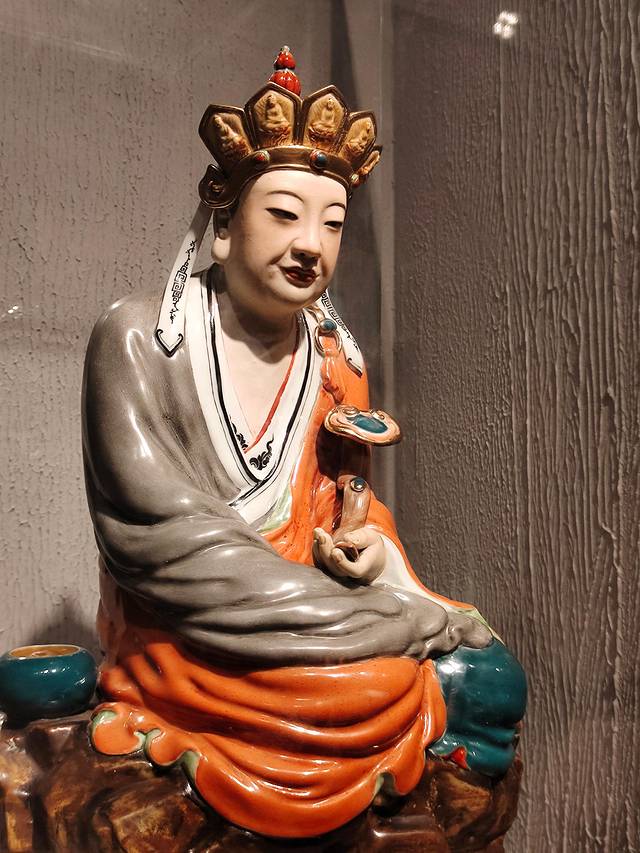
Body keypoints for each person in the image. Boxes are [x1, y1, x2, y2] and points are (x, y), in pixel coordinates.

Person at [83, 48, 526, 840]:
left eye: (332, 224)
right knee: (365, 686)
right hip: (186, 633)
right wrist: (384, 620)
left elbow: (345, 506)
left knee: (491, 678)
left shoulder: (336, 363)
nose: (310, 245)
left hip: (318, 617)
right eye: (285, 214)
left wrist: (370, 553)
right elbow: (160, 538)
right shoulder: (141, 341)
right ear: (224, 228)